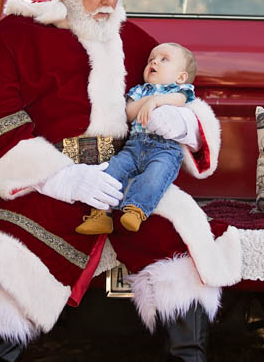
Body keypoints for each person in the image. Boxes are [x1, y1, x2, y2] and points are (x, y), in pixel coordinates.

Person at [0, 0, 241, 362]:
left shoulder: (132, 41)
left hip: (126, 177)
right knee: (4, 255)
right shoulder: (12, 38)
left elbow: (186, 95)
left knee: (185, 234)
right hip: (45, 183)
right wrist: (64, 180)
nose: (110, 2)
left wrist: (185, 123)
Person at [76, 41, 198, 235]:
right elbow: (129, 113)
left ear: (181, 76)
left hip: (165, 149)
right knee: (111, 170)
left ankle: (136, 210)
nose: (154, 63)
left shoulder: (178, 91)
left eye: (163, 59)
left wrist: (156, 101)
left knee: (155, 176)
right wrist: (148, 100)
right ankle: (101, 214)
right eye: (151, 60)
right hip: (134, 146)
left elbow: (179, 101)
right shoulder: (139, 91)